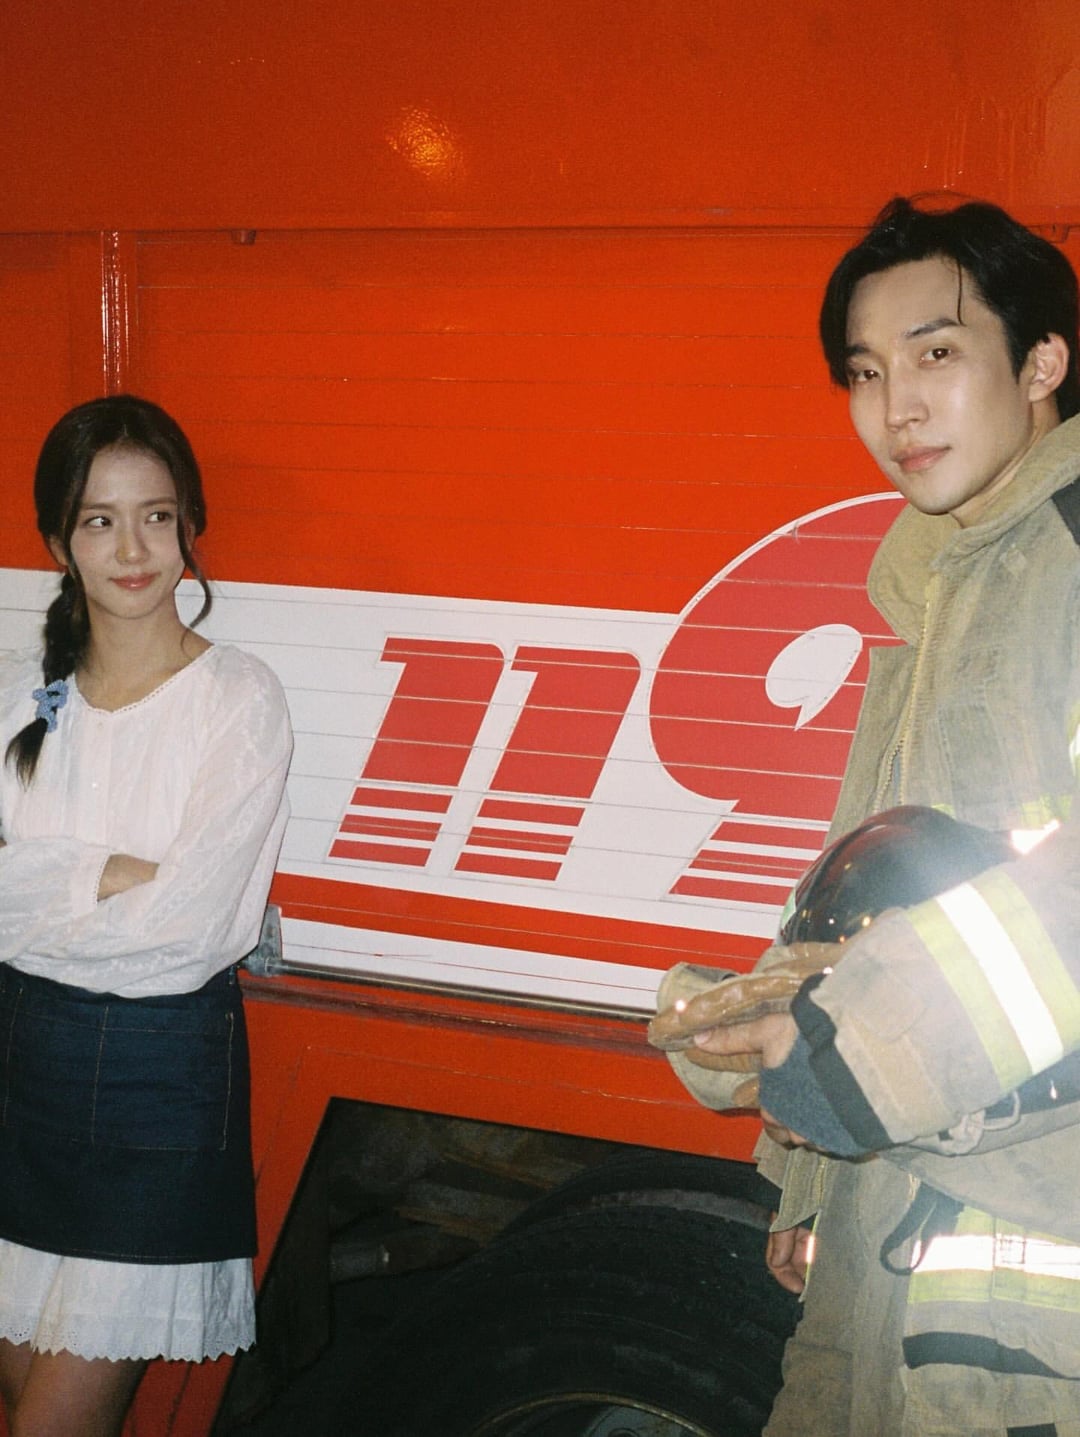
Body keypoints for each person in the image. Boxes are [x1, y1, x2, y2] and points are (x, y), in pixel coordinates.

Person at [650, 196, 1080, 1436]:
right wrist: (807, 1176)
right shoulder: (937, 581)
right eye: (866, 372)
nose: (897, 408)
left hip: (1034, 1236)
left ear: (1042, 362)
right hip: (886, 1208)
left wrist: (846, 1077)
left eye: (937, 353)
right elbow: (869, 894)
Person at [0, 395, 293, 1435]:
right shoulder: (22, 698)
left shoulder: (237, 698)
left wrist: (40, 888)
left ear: (190, 526)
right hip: (19, 1074)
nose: (133, 550)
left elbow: (194, 933)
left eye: (157, 517)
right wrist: (110, 872)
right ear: (58, 543)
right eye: (100, 521)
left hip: (158, 1090)